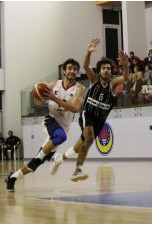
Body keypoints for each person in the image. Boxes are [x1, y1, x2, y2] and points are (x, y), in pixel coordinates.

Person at [49, 38, 129, 181]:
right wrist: (88, 52)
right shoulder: (94, 80)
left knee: (81, 145)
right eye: (103, 68)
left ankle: (59, 159)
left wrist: (125, 64)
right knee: (89, 137)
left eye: (109, 68)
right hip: (87, 114)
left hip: (100, 120)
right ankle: (78, 170)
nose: (106, 70)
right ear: (99, 71)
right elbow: (86, 65)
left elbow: (126, 78)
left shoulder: (113, 83)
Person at [5, 58, 86, 191]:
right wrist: (38, 94)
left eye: (75, 69)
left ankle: (12, 177)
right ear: (64, 71)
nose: (72, 71)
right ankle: (40, 157)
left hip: (64, 125)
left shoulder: (80, 88)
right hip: (51, 120)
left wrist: (54, 98)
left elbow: (74, 108)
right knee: (60, 137)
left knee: (34, 165)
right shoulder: (54, 84)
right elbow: (37, 102)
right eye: (70, 68)